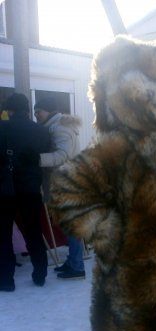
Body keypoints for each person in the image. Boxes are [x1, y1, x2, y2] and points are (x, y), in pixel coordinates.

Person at [0, 93, 50, 291]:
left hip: (4, 189)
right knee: (34, 231)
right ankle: (40, 274)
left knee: (3, 235)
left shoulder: (2, 128)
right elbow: (42, 158)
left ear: (9, 110)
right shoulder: (41, 131)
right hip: (30, 189)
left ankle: (6, 280)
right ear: (28, 109)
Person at [34, 97, 85, 280]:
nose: (36, 115)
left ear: (48, 111)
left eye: (38, 111)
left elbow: (63, 155)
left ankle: (77, 266)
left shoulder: (60, 128)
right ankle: (73, 262)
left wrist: (39, 159)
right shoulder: (57, 126)